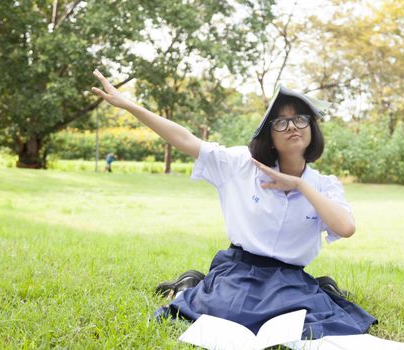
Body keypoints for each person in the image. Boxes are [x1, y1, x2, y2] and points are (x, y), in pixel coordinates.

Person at [91, 69, 376, 339]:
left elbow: (346, 227)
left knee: (308, 325)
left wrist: (301, 185)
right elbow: (186, 139)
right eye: (280, 121)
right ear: (270, 136)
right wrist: (129, 106)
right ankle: (191, 283)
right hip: (241, 271)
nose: (292, 126)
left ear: (311, 128)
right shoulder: (241, 164)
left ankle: (319, 288)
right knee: (228, 314)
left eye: (300, 118)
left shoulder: (324, 184)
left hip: (289, 279)